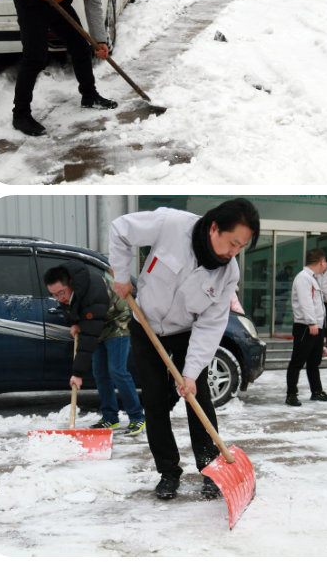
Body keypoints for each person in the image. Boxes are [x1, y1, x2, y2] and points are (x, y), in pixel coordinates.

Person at [109, 198, 259, 501]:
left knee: (198, 398)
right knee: (154, 399)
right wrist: (121, 276)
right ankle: (168, 472)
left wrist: (190, 373)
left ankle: (211, 469)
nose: (233, 253)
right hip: (146, 326)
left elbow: (211, 324)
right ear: (214, 227)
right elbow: (120, 230)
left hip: (186, 332)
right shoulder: (171, 225)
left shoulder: (228, 273)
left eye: (241, 247)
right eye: (232, 243)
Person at [11, 0, 135, 136]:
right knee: (35, 57)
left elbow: (93, 4)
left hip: (57, 1)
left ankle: (89, 96)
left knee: (80, 46)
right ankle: (20, 115)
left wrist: (100, 40)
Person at [43, 263, 145, 435]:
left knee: (117, 370)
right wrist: (74, 322)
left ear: (70, 283)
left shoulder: (92, 291)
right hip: (97, 322)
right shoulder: (66, 294)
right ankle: (110, 417)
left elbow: (89, 337)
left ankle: (137, 417)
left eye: (61, 293)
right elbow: (70, 309)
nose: (59, 298)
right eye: (54, 295)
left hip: (117, 321)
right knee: (100, 372)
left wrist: (77, 373)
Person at [286, 249, 327, 406]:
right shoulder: (303, 278)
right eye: (325, 262)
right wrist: (312, 322)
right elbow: (305, 301)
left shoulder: (314, 278)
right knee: (297, 362)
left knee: (314, 362)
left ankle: (317, 391)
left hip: (316, 326)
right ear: (321, 262)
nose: (326, 265)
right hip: (306, 326)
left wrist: (318, 324)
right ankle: (291, 394)